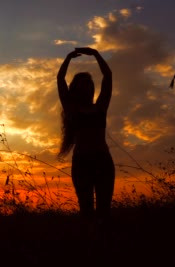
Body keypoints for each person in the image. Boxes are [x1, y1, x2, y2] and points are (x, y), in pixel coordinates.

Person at [57, 47, 114, 220]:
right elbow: (60, 79)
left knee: (104, 210)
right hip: (82, 162)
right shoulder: (71, 109)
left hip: (103, 160)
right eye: (82, 83)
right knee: (86, 210)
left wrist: (96, 54)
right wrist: (68, 58)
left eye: (89, 83)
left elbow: (108, 76)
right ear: (75, 88)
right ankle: (88, 243)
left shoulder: (100, 107)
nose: (86, 86)